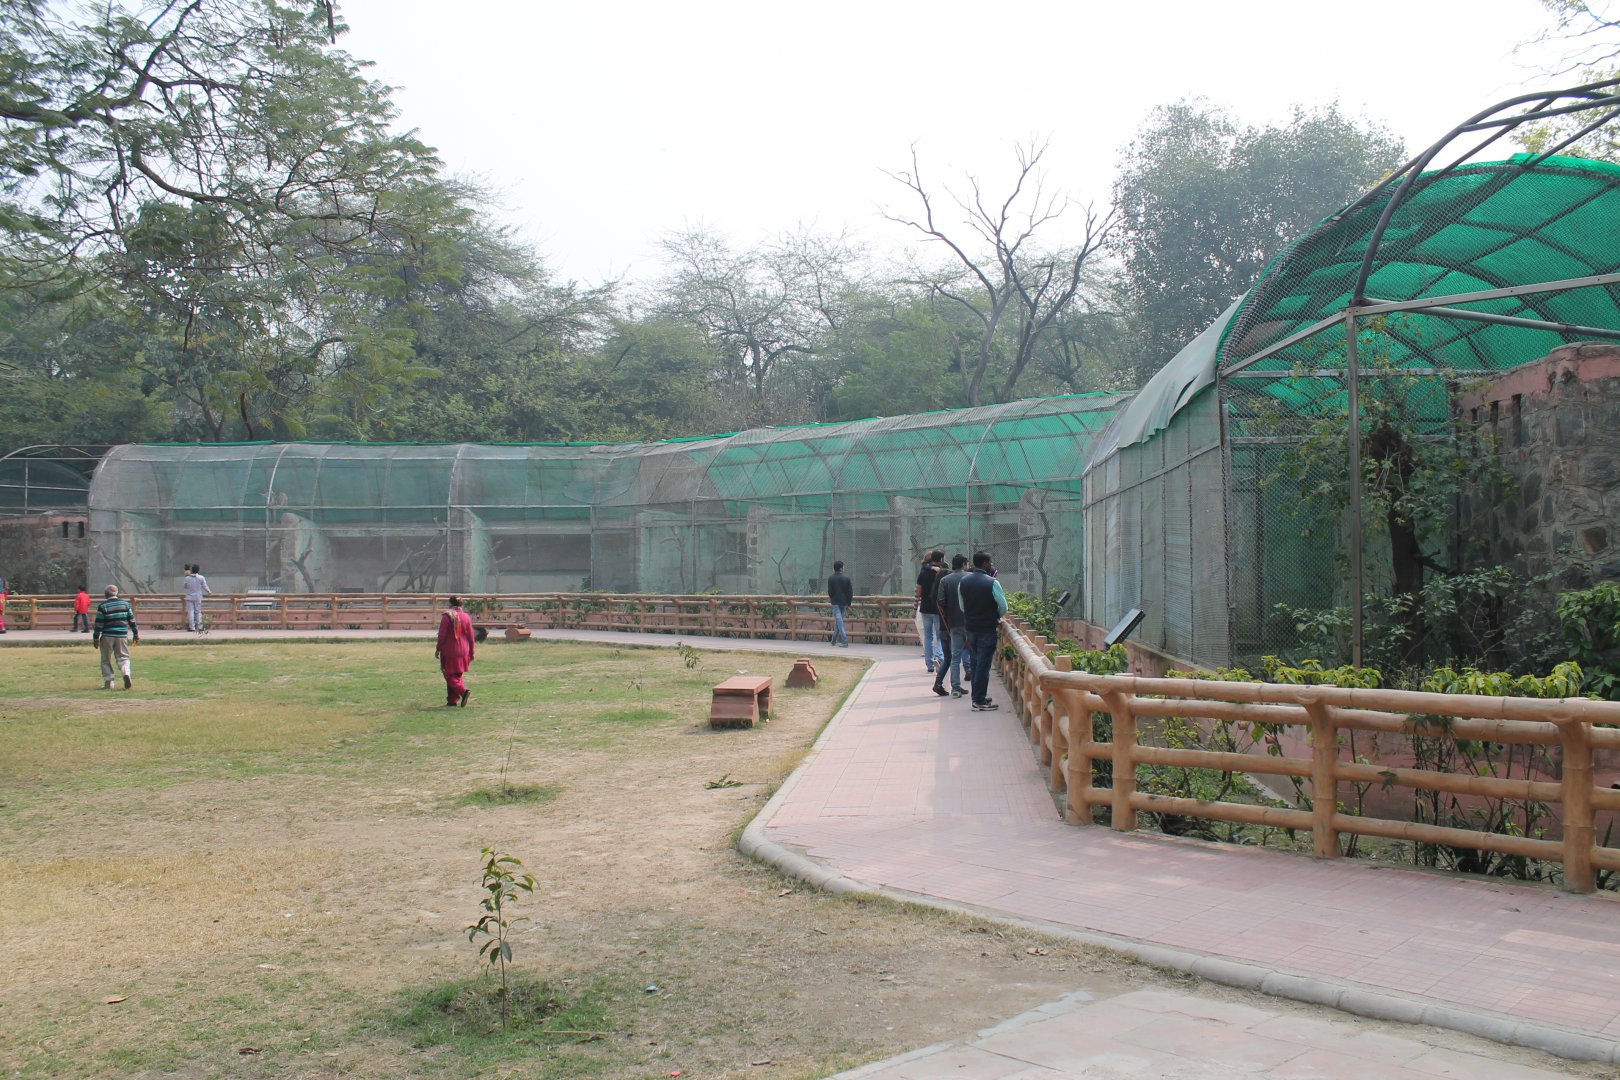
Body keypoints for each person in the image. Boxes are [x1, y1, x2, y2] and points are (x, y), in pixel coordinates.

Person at [957, 551, 1007, 712]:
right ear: (985, 563)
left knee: (975, 663)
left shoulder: (963, 582)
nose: (991, 565)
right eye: (990, 562)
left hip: (970, 628)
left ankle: (978, 696)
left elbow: (962, 606)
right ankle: (979, 701)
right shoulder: (992, 582)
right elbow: (1003, 606)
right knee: (983, 665)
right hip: (987, 628)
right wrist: (995, 616)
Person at [934, 554, 972, 698]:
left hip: (954, 623)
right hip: (971, 622)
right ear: (964, 564)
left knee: (955, 657)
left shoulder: (945, 580)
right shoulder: (970, 578)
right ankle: (978, 691)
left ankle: (955, 688)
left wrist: (949, 614)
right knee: (975, 656)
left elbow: (940, 601)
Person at [92, 585, 140, 690]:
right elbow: (132, 620)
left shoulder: (103, 606)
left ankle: (109, 682)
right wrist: (136, 634)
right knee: (123, 657)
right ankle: (126, 673)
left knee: (106, 659)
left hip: (107, 635)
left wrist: (96, 638)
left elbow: (98, 624)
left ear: (106, 594)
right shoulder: (125, 604)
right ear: (116, 593)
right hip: (121, 635)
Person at [435, 595, 476, 707]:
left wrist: (438, 649)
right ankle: (452, 700)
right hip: (463, 650)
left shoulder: (447, 616)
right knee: (457, 675)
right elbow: (471, 637)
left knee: (448, 674)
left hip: (449, 650)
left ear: (450, 604)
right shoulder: (466, 617)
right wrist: (471, 652)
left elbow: (442, 635)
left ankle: (463, 692)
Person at [914, 549, 945, 673]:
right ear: (941, 559)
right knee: (940, 635)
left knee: (928, 636)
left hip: (925, 608)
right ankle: (939, 657)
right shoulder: (942, 573)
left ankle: (929, 664)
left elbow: (918, 591)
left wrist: (916, 605)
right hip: (938, 609)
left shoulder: (923, 573)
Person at [826, 560, 853, 647]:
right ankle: (837, 641)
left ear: (834, 568)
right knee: (839, 621)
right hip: (844, 603)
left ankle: (839, 641)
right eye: (843, 567)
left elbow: (830, 592)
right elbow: (850, 593)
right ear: (841, 568)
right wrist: (849, 604)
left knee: (839, 622)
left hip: (835, 603)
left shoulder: (831, 578)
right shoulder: (847, 579)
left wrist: (832, 597)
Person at [183, 564, 212, 632]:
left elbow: (185, 586)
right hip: (198, 596)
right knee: (198, 612)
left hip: (189, 596)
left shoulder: (187, 578)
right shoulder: (201, 577)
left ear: (191, 570)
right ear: (198, 570)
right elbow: (204, 586)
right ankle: (200, 627)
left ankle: (192, 627)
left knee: (190, 612)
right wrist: (209, 591)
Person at [0, 569, 8, 633]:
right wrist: (6, 599)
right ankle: (2, 627)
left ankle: (2, 627)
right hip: (2, 597)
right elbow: (6, 590)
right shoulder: (3, 579)